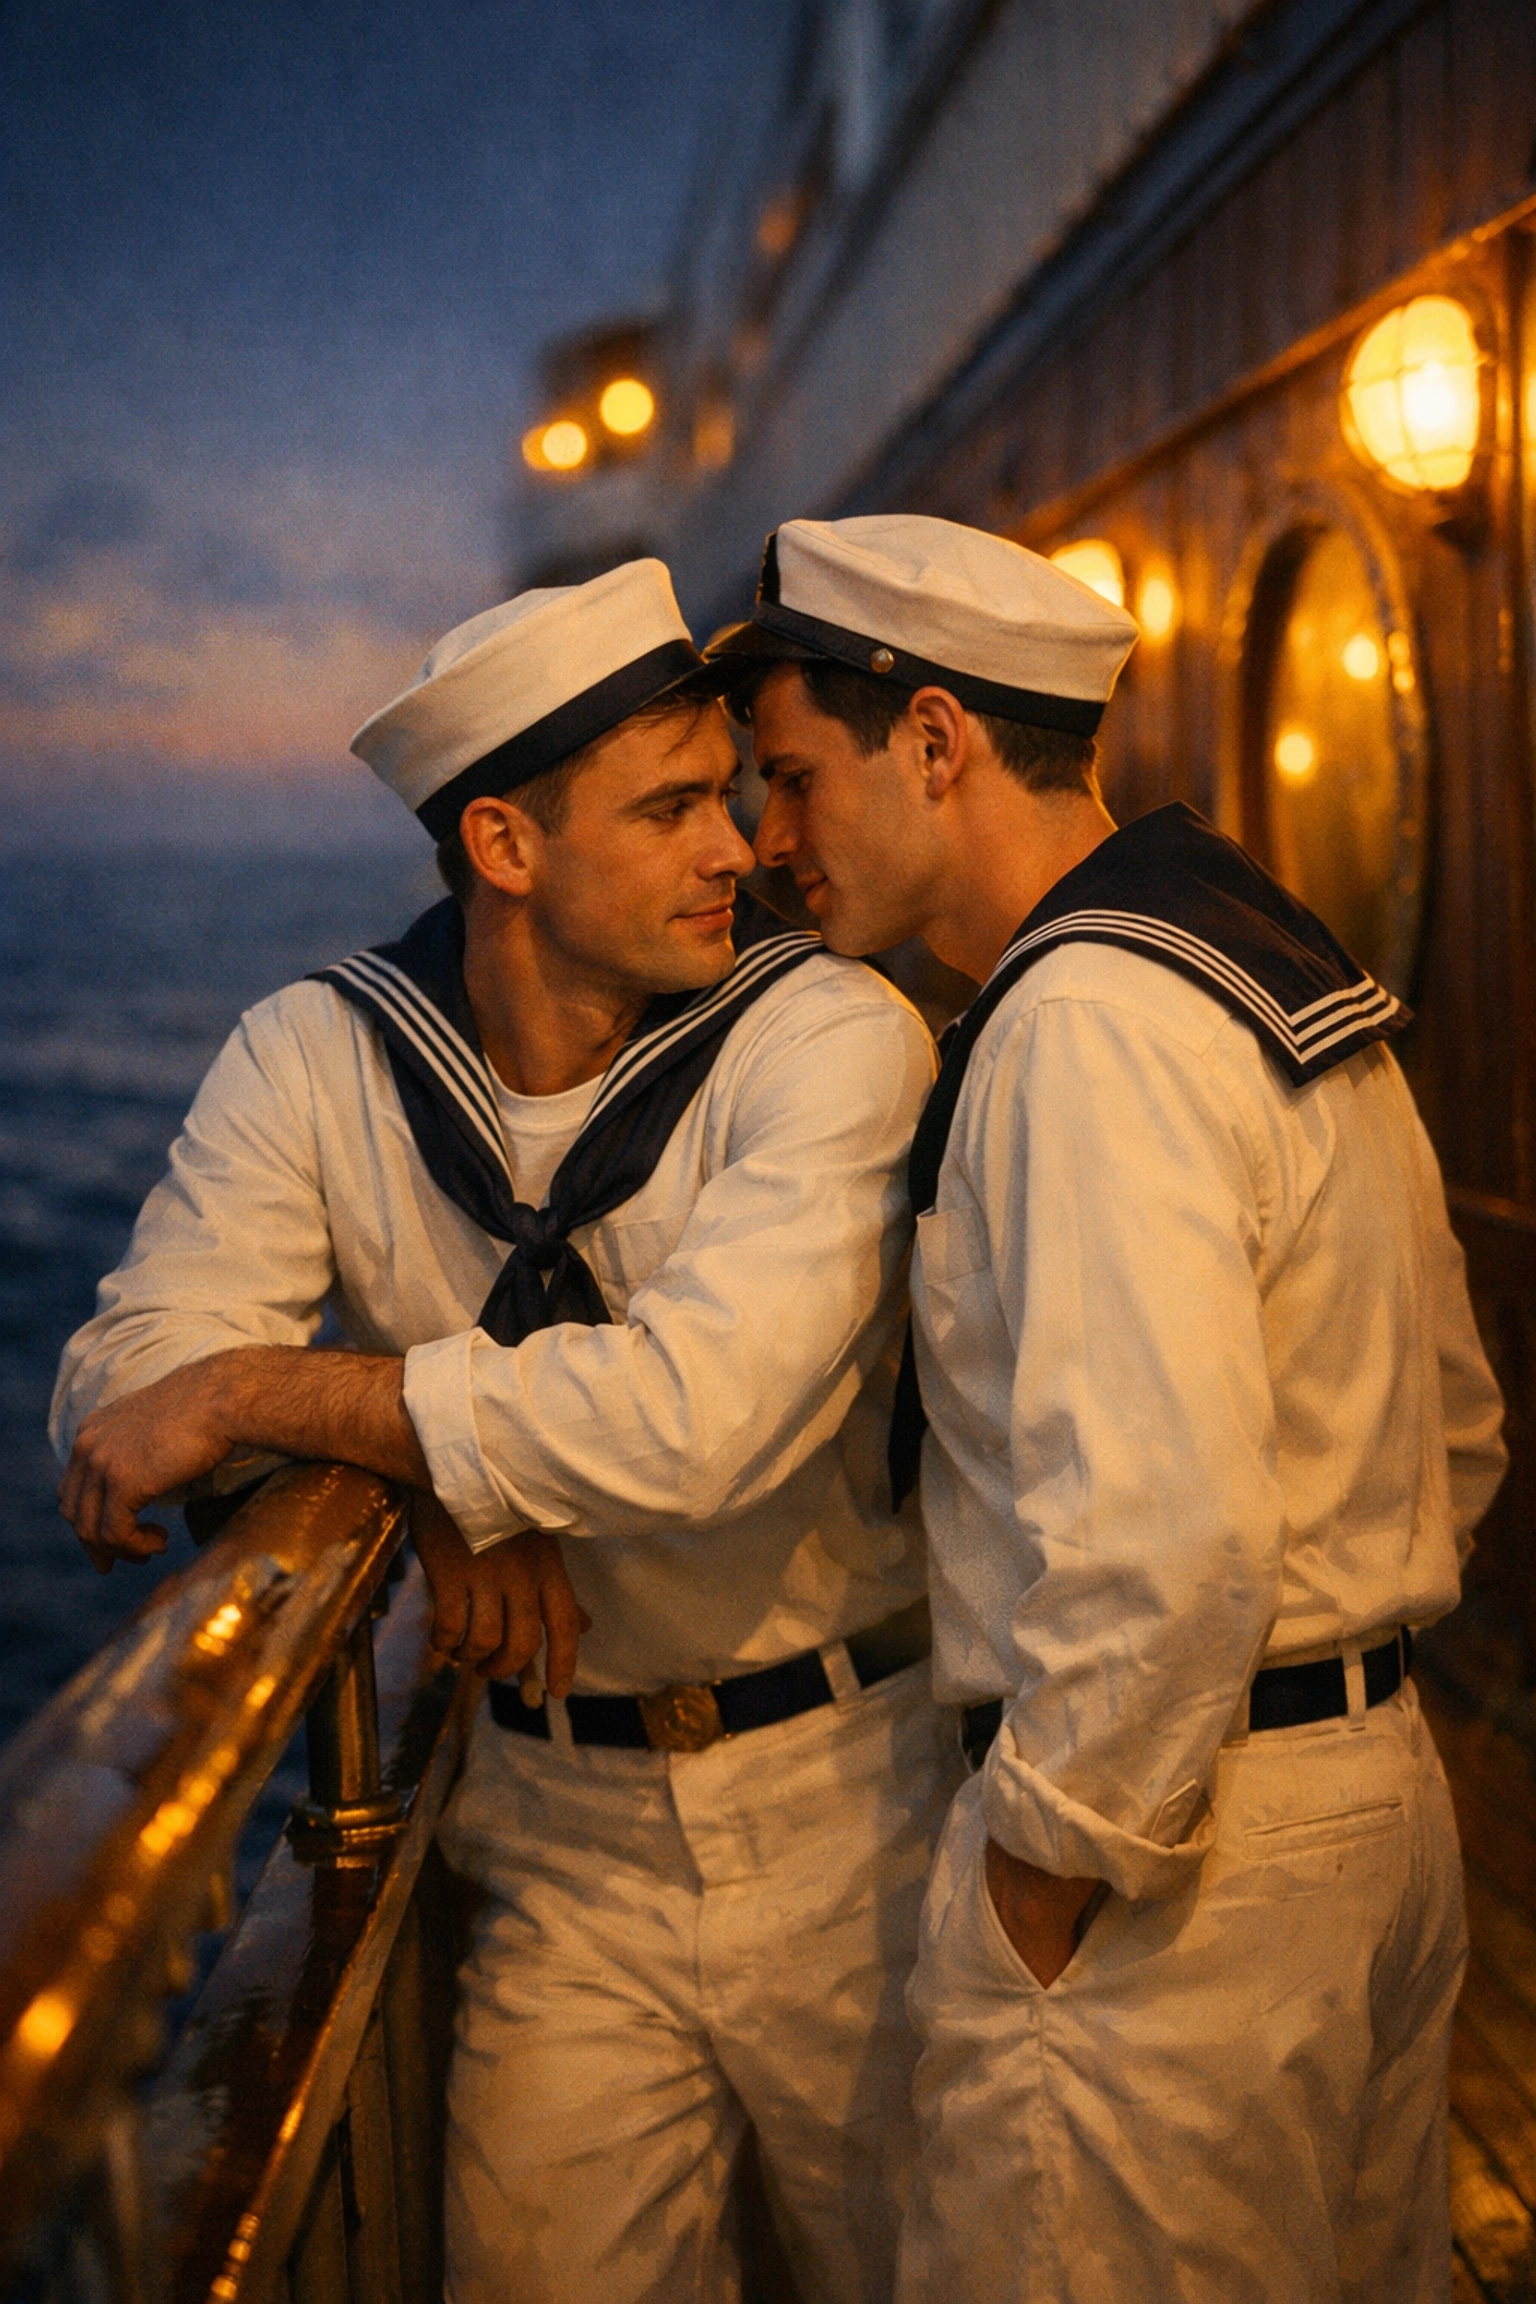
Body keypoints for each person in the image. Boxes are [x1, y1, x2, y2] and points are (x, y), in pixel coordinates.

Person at [53, 558, 963, 2304]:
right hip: (556, 1827)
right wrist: (437, 1490)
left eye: (734, 793)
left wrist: (279, 1396)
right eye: (674, 808)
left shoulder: (829, 1037)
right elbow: (119, 1385)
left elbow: (693, 1422)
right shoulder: (318, 1056)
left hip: (855, 1810)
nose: (741, 848)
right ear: (503, 846)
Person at [706, 513, 1508, 2303]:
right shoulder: (1249, 954)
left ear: (933, 741)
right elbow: (1455, 1427)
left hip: (1174, 1882)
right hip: (1362, 1806)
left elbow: (1170, 1540)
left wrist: (1044, 1877)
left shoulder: (1080, 1024)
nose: (765, 843)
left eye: (792, 778)